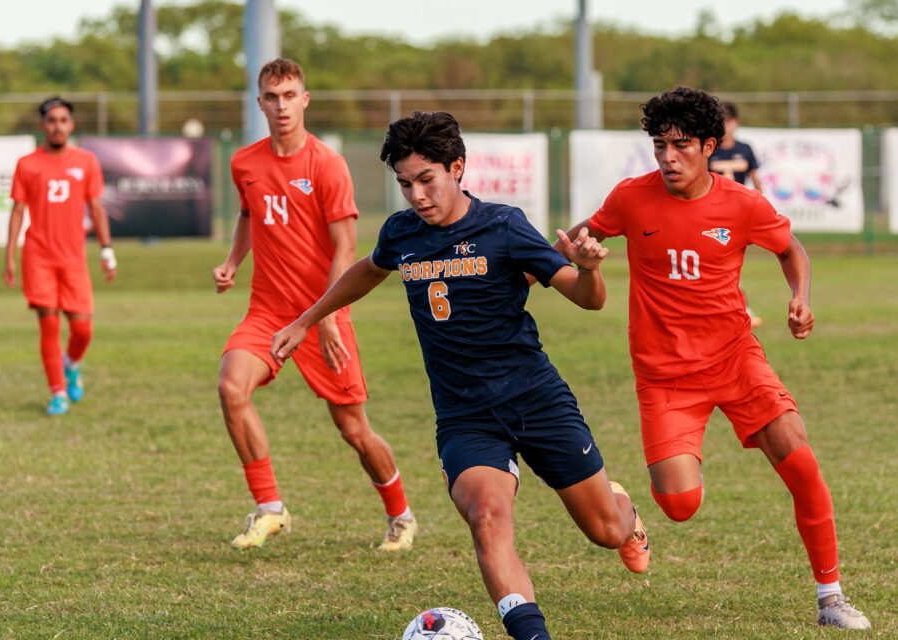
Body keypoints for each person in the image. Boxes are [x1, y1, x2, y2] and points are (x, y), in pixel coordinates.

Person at [270, 111, 650, 640]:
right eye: (405, 184)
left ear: (458, 168)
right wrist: (308, 319)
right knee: (488, 519)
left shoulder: (505, 226)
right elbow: (368, 269)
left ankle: (623, 508)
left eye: (427, 180)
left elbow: (587, 300)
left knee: (606, 530)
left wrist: (589, 268)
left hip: (536, 399)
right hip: (464, 414)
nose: (417, 195)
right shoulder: (401, 233)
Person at [568, 87, 872, 630]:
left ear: (711, 145)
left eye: (680, 146)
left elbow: (790, 249)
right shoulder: (631, 198)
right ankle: (627, 513)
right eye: (659, 145)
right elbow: (576, 239)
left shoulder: (741, 204)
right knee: (680, 505)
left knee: (800, 459)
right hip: (664, 376)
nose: (666, 157)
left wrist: (800, 297)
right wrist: (577, 253)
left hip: (736, 360)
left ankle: (831, 599)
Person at [212, 58, 416, 552]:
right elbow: (247, 214)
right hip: (267, 311)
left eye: (289, 96)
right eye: (271, 96)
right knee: (231, 387)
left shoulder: (326, 164)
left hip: (325, 314)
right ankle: (269, 508)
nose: (281, 106)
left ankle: (401, 515)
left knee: (353, 429)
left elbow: (346, 249)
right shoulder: (245, 162)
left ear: (304, 100)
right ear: (259, 102)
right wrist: (233, 261)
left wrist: (324, 318)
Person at [4, 97, 116, 415]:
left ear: (72, 125)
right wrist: (10, 256)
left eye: (63, 120)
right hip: (38, 257)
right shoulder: (27, 164)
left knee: (82, 330)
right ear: (43, 126)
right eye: (51, 120)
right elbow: (17, 211)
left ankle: (72, 364)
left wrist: (107, 250)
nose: (57, 126)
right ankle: (58, 393)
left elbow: (96, 208)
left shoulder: (87, 162)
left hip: (73, 258)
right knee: (49, 326)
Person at [708, 101, 764, 328]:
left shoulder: (745, 149)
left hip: (737, 215)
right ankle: (738, 309)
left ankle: (737, 308)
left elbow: (755, 180)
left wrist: (759, 206)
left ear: (736, 123)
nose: (726, 126)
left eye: (729, 121)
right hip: (714, 215)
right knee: (719, 264)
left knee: (726, 264)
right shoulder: (710, 150)